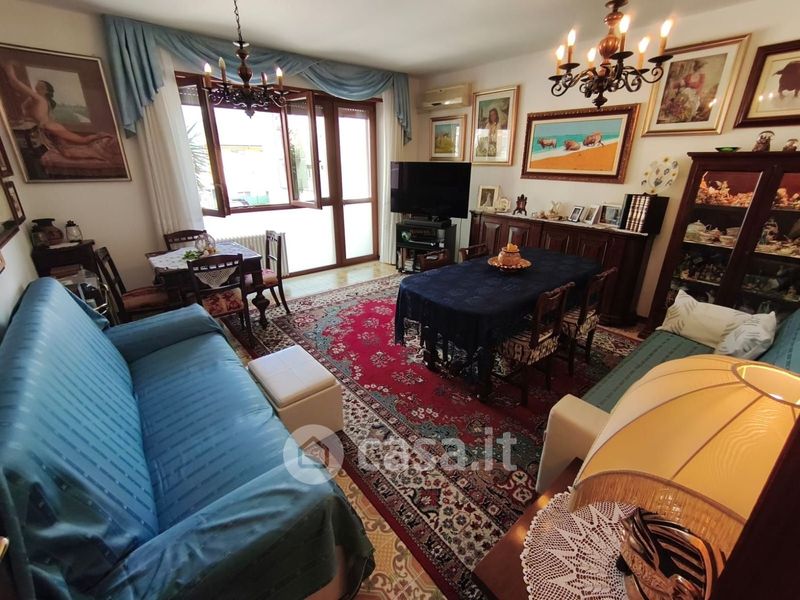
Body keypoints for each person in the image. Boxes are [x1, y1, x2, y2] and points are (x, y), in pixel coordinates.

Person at [2, 60, 118, 162]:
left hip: (51, 127)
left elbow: (15, 83)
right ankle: (99, 150)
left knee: (82, 141)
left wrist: (9, 68)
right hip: (47, 128)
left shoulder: (39, 99)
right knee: (68, 152)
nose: (37, 87)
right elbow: (24, 110)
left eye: (41, 87)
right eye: (37, 85)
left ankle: (103, 140)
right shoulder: (35, 99)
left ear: (46, 91)